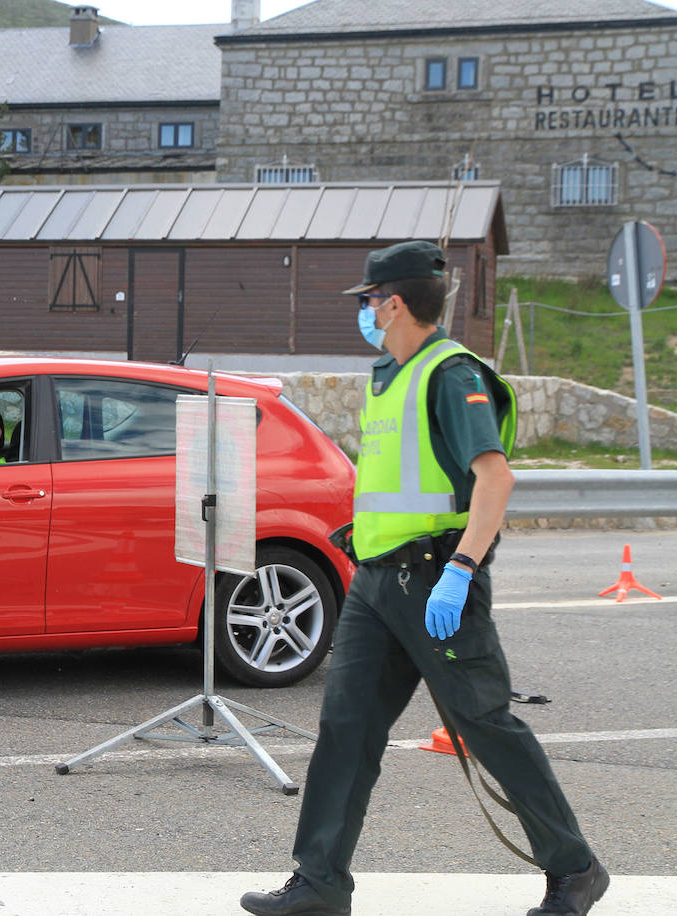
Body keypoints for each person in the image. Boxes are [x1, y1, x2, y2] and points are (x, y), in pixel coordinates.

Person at [240, 241, 607, 916]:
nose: (366, 312)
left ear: (396, 302)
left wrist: (462, 571)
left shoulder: (449, 374)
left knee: (486, 728)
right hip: (377, 585)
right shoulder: (388, 375)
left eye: (369, 301)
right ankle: (319, 883)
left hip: (439, 583)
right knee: (345, 729)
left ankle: (575, 867)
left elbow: (495, 479)